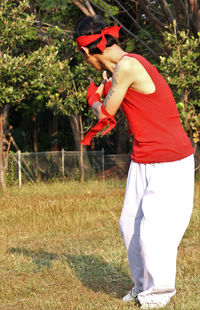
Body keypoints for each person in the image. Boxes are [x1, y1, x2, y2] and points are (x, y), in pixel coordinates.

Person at [74, 15, 195, 309]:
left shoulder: (128, 65)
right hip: (143, 157)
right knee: (129, 224)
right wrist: (104, 90)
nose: (86, 61)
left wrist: (93, 98)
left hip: (169, 159)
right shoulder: (120, 71)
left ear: (88, 51)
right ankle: (143, 286)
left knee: (154, 231)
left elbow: (105, 116)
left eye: (83, 55)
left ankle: (158, 296)